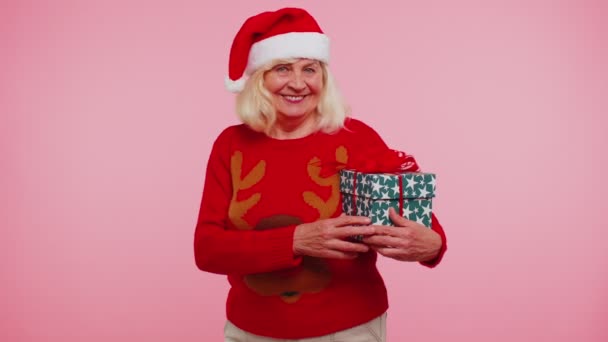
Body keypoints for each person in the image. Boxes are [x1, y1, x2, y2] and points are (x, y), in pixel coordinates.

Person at [193, 7, 447, 342]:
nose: (298, 83)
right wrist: (297, 240)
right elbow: (208, 249)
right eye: (282, 68)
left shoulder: (357, 138)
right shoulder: (231, 145)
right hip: (251, 331)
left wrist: (431, 245)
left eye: (309, 69)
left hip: (348, 331)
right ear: (259, 78)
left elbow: (423, 225)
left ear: (323, 77)